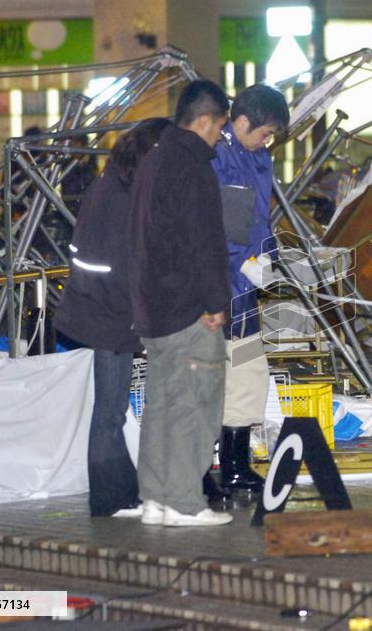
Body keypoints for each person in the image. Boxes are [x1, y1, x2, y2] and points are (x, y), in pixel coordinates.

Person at [55, 118, 172, 518]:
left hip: (104, 311)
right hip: (110, 314)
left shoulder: (114, 185)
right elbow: (118, 265)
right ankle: (109, 497)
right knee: (109, 410)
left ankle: (121, 492)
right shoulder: (121, 195)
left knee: (112, 408)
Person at [128, 80, 233, 527]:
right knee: (195, 405)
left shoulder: (152, 160)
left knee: (161, 406)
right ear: (206, 120)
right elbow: (203, 241)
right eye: (219, 129)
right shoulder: (193, 166)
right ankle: (185, 501)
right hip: (189, 307)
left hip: (153, 309)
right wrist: (215, 301)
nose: (218, 139)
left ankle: (154, 500)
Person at [206, 83, 290, 501]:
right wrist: (241, 263)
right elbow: (213, 224)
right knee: (209, 377)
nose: (267, 140)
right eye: (264, 132)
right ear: (241, 121)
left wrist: (270, 260)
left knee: (248, 372)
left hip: (245, 291)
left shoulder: (259, 159)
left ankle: (237, 465)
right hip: (214, 289)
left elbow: (260, 220)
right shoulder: (215, 156)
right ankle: (202, 469)